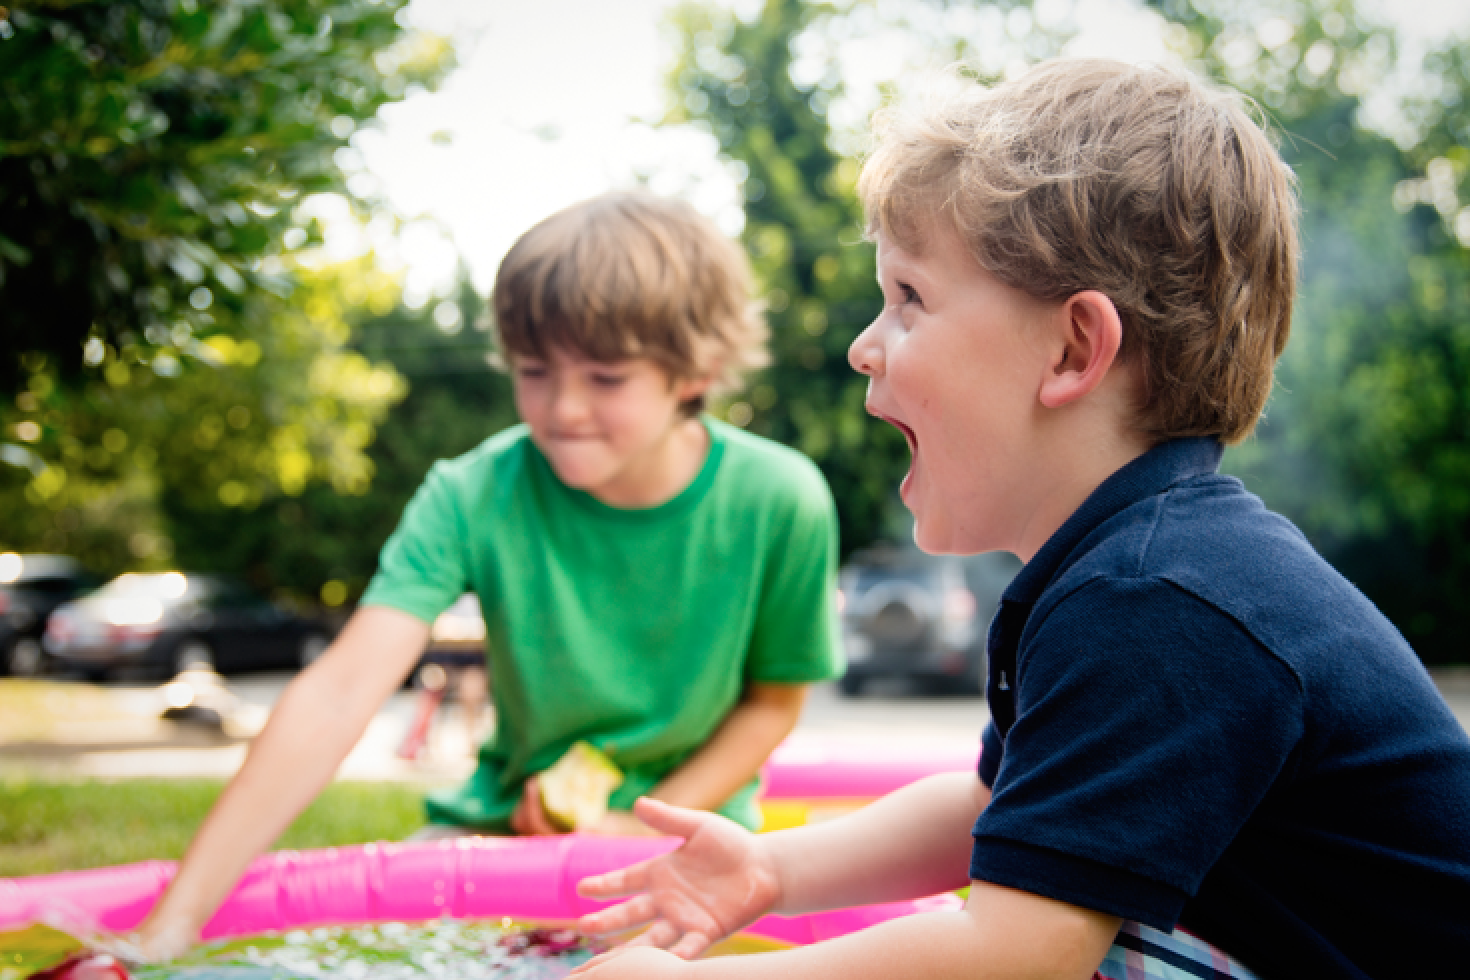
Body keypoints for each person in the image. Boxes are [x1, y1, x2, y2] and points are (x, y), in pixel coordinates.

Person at [566, 59, 1470, 980]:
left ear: (1074, 347)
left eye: (910, 298)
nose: (862, 346)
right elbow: (990, 808)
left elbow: (1015, 955)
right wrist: (770, 868)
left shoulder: (1161, 602)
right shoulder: (1128, 570)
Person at [132, 191, 845, 958]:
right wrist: (172, 923)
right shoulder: (471, 492)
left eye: (606, 378)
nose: (563, 408)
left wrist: (636, 823)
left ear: (694, 370)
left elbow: (772, 704)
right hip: (498, 834)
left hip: (692, 845)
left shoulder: (782, 499)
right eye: (534, 371)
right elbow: (339, 691)